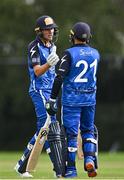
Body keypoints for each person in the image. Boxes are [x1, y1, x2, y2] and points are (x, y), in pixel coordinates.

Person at [46, 22, 100, 178]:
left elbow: (59, 77)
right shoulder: (96, 53)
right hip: (90, 99)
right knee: (88, 131)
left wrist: (52, 98)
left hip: (72, 101)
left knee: (70, 135)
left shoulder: (68, 54)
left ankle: (71, 170)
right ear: (88, 37)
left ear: (73, 36)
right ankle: (89, 158)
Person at [14, 15, 64, 178]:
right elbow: (36, 72)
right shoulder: (34, 46)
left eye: (52, 29)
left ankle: (22, 166)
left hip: (51, 91)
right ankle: (59, 170)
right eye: (47, 29)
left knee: (43, 129)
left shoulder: (52, 45)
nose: (51, 31)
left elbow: (52, 71)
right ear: (39, 31)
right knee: (51, 127)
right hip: (39, 90)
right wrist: (49, 63)